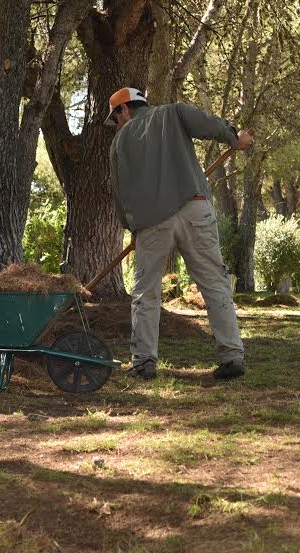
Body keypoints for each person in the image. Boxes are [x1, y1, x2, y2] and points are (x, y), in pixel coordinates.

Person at [106, 86, 253, 381]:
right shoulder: (173, 112)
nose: (116, 124)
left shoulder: (119, 143)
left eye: (115, 117)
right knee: (214, 283)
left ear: (124, 109)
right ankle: (232, 356)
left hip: (151, 224)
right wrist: (235, 138)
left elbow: (119, 195)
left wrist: (131, 228)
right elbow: (209, 125)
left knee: (146, 293)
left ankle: (144, 362)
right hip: (194, 208)